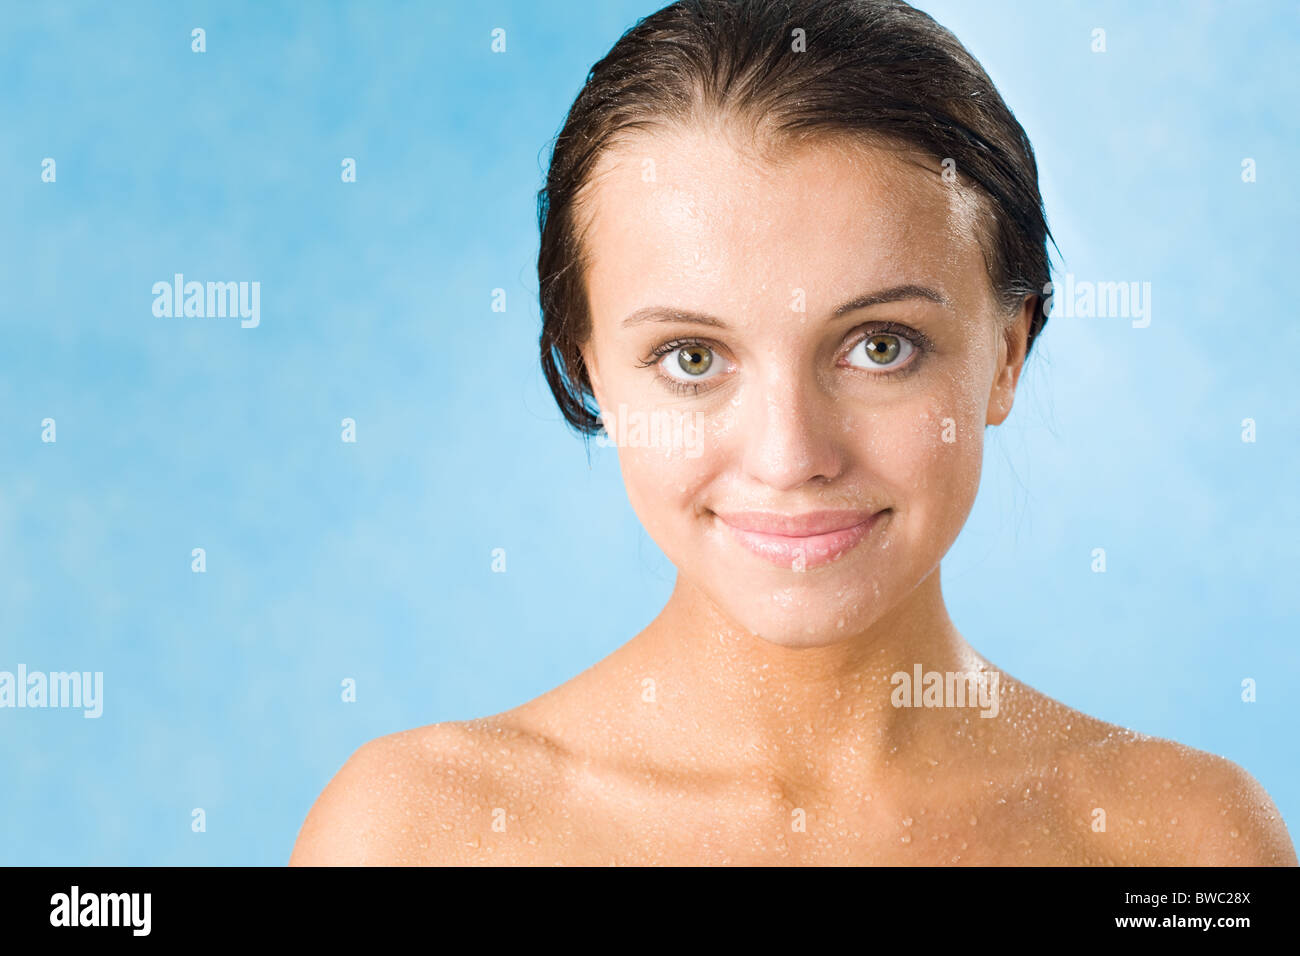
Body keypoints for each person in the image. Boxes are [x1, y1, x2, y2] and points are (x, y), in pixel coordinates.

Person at [290, 0, 1297, 865]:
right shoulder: (417, 837)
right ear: (587, 364)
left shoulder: (1179, 842)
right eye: (692, 356)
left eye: (881, 346)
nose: (789, 453)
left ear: (1004, 354)